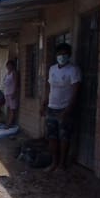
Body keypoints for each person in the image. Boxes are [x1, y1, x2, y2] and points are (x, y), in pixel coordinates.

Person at [41, 43, 82, 172]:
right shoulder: (52, 69)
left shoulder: (73, 70)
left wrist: (68, 109)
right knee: (52, 137)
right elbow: (49, 88)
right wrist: (44, 104)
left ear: (69, 55)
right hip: (51, 107)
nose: (61, 56)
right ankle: (54, 162)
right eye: (59, 54)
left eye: (64, 54)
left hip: (65, 108)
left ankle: (62, 164)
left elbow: (76, 91)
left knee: (64, 137)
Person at [3, 60, 19, 128]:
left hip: (11, 93)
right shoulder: (7, 74)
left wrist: (14, 93)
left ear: (13, 66)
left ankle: (9, 124)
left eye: (10, 65)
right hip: (6, 93)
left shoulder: (14, 73)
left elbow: (16, 83)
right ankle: (7, 122)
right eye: (8, 65)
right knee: (8, 108)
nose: (9, 67)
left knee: (12, 109)